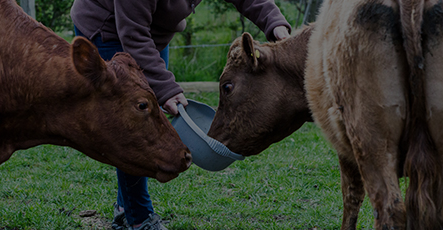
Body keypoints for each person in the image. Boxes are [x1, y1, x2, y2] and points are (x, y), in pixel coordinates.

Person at [70, 1, 291, 229]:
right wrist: (166, 89)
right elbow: (133, 34)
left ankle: (126, 208)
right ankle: (139, 217)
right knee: (135, 123)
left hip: (151, 35)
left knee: (146, 118)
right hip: (109, 29)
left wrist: (274, 24)